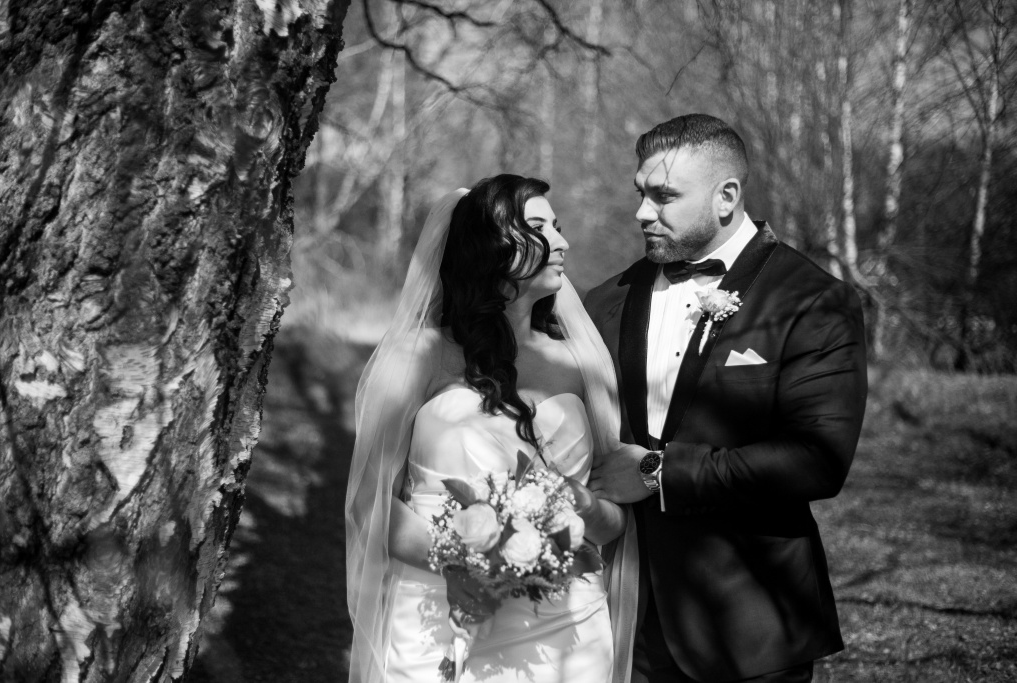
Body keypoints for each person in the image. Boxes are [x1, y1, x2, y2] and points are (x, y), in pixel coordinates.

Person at [586, 114, 868, 683]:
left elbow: (816, 460)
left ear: (727, 197)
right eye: (641, 193)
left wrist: (656, 473)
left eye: (664, 196)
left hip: (750, 617)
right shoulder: (603, 301)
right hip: (621, 617)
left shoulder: (812, 301)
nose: (643, 212)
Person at [345, 175, 639, 683]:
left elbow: (613, 522)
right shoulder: (421, 356)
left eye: (559, 226)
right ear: (491, 245)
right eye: (540, 227)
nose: (562, 242)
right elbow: (370, 505)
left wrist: (584, 508)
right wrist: (476, 564)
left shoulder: (580, 364)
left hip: (567, 623)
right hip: (439, 614)